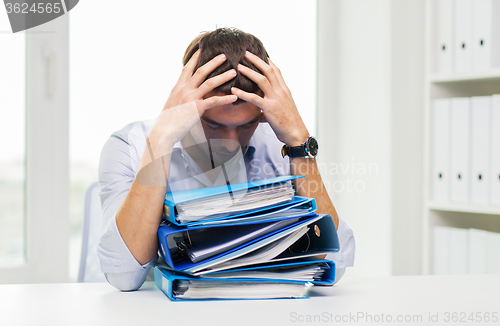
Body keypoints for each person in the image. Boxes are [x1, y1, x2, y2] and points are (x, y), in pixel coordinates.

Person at [97, 27, 355, 291]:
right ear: (186, 101)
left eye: (246, 125)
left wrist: (300, 142)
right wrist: (160, 141)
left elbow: (335, 263)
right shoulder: (129, 147)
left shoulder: (280, 144)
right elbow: (124, 277)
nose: (232, 143)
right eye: (214, 125)